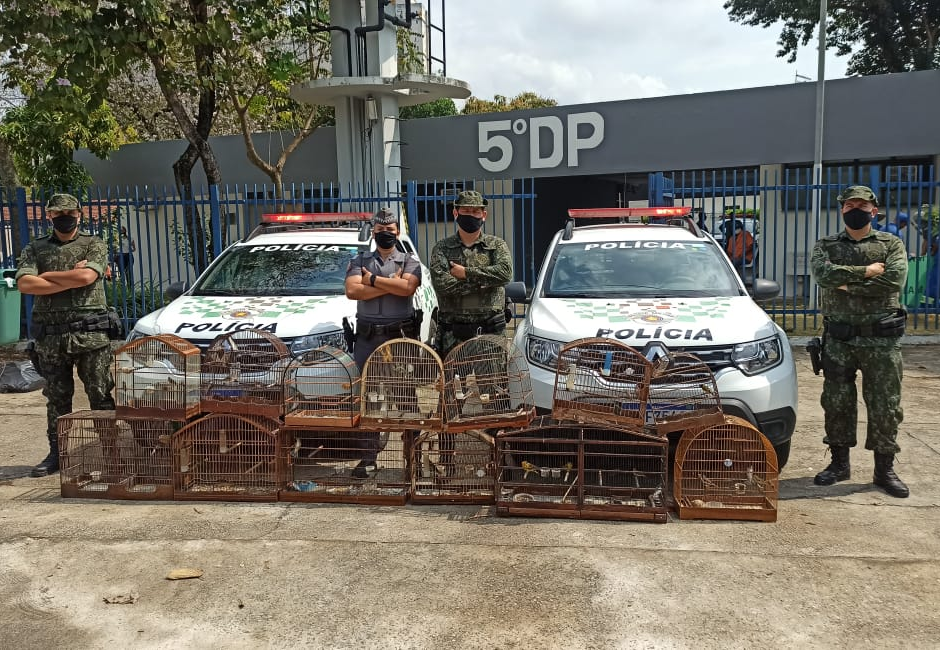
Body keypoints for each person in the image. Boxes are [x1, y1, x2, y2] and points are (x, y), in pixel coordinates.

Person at [809, 185, 909, 498]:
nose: (855, 209)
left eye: (862, 205)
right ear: (841, 209)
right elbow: (823, 275)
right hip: (839, 340)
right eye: (850, 204)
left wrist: (847, 285)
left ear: (873, 210)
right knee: (837, 403)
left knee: (885, 405)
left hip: (882, 341)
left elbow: (894, 279)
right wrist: (865, 271)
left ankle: (884, 470)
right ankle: (839, 464)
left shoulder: (890, 243)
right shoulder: (826, 245)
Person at [15, 193, 116, 477]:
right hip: (51, 339)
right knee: (57, 399)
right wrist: (68, 275)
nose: (65, 216)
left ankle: (111, 454)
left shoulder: (93, 244)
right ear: (49, 216)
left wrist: (46, 277)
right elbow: (24, 283)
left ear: (79, 214)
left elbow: (86, 278)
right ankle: (57, 455)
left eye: (70, 212)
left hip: (90, 335)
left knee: (100, 395)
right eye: (58, 212)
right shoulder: (36, 248)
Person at [344, 207, 422, 478]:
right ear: (373, 233)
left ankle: (414, 459)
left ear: (397, 232)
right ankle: (368, 459)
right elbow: (353, 291)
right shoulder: (359, 260)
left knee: (405, 398)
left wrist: (373, 281)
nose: (385, 235)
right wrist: (391, 283)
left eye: (390, 231)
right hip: (367, 339)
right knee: (370, 398)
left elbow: (408, 289)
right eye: (380, 231)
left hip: (398, 339)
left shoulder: (409, 261)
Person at [430, 190, 513, 357]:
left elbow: (505, 273)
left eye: (475, 211)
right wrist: (486, 282)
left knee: (492, 384)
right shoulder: (442, 248)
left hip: (490, 336)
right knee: (452, 384)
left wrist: (466, 273)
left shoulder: (496, 245)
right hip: (452, 336)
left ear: (484, 215)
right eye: (466, 211)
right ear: (456, 213)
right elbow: (443, 285)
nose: (471, 215)